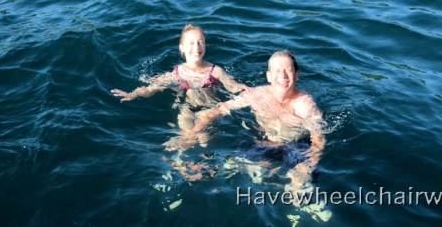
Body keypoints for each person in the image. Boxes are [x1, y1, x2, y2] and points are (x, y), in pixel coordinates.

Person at [166, 50, 325, 191]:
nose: (282, 76)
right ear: (268, 76)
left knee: (301, 182)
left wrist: (309, 164)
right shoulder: (257, 95)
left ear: (297, 75)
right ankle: (177, 180)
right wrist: (191, 134)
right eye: (277, 70)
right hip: (263, 142)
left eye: (288, 70)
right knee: (230, 167)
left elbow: (318, 138)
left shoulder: (305, 104)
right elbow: (217, 111)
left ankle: (306, 209)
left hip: (296, 145)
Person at [110, 24, 246, 140]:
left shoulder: (215, 71)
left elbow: (233, 87)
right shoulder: (176, 74)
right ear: (182, 48)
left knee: (203, 138)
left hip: (210, 108)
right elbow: (152, 88)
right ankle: (184, 163)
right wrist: (133, 94)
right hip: (186, 108)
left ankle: (206, 162)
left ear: (205, 45)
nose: (197, 46)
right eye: (191, 43)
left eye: (200, 42)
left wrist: (249, 91)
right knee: (185, 132)